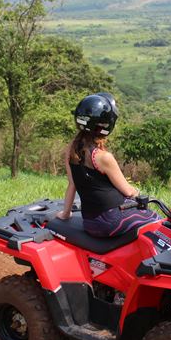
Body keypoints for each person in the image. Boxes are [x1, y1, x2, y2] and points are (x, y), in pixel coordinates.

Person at [56, 93, 160, 237]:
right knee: (157, 221)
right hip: (111, 221)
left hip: (90, 223)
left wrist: (65, 214)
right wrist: (138, 194)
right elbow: (128, 191)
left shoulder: (71, 149)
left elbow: (72, 184)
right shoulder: (103, 157)